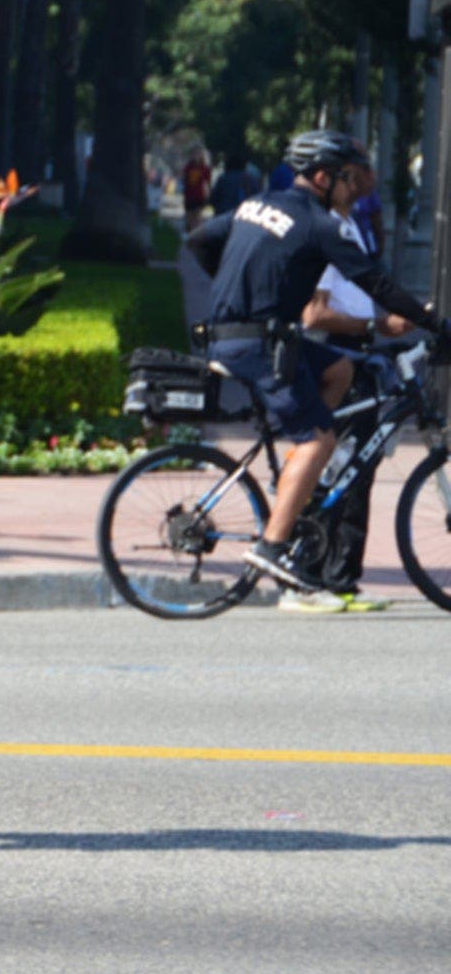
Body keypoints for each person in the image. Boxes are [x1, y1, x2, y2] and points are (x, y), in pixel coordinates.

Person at [187, 128, 447, 590]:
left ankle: (302, 473)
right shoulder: (318, 224)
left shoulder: (256, 205)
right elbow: (376, 284)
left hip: (236, 335)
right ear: (325, 177)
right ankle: (271, 546)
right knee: (319, 440)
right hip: (259, 347)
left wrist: (237, 286)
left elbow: (200, 240)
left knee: (339, 368)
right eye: (348, 180)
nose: (353, 190)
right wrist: (434, 324)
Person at [286, 147, 408, 614]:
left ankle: (341, 580)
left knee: (359, 468)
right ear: (337, 178)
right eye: (359, 170)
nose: (369, 177)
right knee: (338, 466)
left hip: (357, 355)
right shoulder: (323, 231)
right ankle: (310, 575)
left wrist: (381, 321)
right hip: (337, 359)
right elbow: (314, 311)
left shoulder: (348, 225)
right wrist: (378, 327)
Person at [181, 147, 212, 232]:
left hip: (200, 196)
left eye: (198, 154)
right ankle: (190, 232)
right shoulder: (188, 167)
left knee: (197, 217)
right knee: (189, 216)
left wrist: (208, 194)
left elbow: (207, 183)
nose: (196, 156)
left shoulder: (205, 168)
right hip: (189, 195)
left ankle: (196, 233)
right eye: (194, 154)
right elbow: (184, 180)